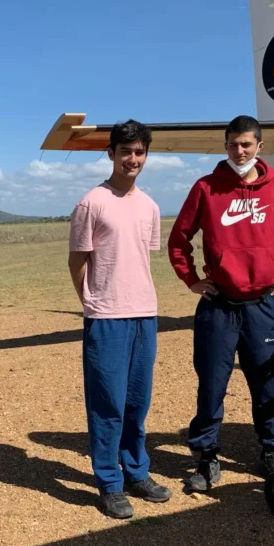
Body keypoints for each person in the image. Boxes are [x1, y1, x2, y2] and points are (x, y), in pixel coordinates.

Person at [168, 114, 274, 492]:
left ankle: (271, 449)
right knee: (212, 384)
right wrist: (193, 280)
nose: (240, 150)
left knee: (264, 382)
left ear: (259, 146)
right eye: (233, 144)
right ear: (225, 145)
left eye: (247, 144)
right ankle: (206, 457)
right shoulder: (206, 188)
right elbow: (178, 239)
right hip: (219, 305)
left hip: (261, 305)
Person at [68, 119, 173, 519]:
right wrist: (92, 301)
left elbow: (143, 255)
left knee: (136, 402)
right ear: (110, 153)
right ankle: (109, 483)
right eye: (125, 151)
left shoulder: (150, 206)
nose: (133, 159)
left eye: (140, 152)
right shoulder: (92, 202)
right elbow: (77, 260)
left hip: (144, 313)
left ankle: (136, 472)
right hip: (107, 317)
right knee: (107, 403)